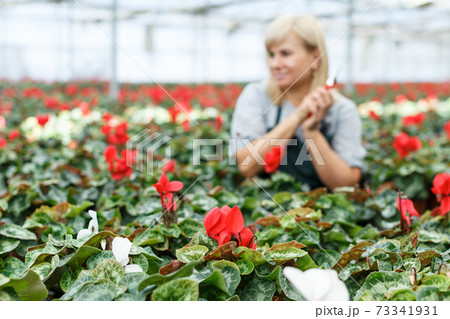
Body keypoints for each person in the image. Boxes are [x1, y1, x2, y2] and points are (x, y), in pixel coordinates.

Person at [229, 14, 366, 191]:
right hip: (266, 209)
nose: (275, 64)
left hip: (320, 214)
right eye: (271, 54)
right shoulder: (256, 96)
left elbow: (346, 185)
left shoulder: (342, 110)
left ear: (315, 58)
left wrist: (311, 131)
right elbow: (246, 166)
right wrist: (298, 116)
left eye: (285, 54)